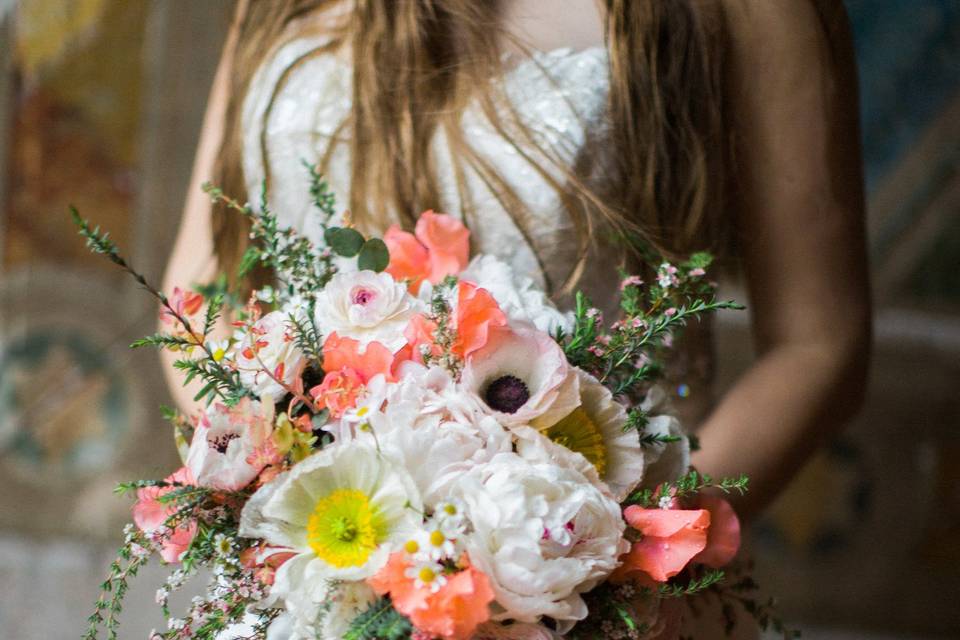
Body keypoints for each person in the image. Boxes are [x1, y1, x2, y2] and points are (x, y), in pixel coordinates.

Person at [163, 1, 872, 636]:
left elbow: (819, 344)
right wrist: (297, 515)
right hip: (325, 595)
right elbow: (198, 301)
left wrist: (605, 564)